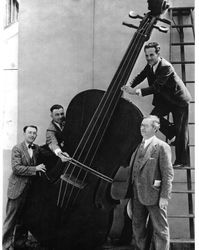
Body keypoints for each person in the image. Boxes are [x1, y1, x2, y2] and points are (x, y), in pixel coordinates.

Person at [121, 42, 192, 166]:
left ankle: (182, 161)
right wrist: (129, 86)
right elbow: (140, 76)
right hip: (166, 100)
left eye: (151, 55)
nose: (148, 58)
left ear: (158, 54)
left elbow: (156, 88)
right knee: (152, 119)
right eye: (146, 55)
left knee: (181, 131)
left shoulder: (166, 67)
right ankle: (172, 133)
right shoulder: (150, 65)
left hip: (179, 100)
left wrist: (135, 92)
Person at [125, 115, 173, 250]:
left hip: (155, 195)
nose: (142, 128)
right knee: (138, 228)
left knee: (160, 230)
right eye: (141, 125)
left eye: (145, 126)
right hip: (137, 196)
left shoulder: (162, 147)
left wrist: (164, 196)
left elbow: (168, 174)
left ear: (155, 128)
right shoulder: (138, 146)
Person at [2, 125, 46, 250]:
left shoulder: (36, 148)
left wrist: (60, 152)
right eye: (30, 133)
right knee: (11, 220)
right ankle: (4, 246)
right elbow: (16, 168)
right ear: (24, 134)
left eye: (34, 133)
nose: (32, 135)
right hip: (17, 188)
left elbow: (47, 153)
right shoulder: (17, 148)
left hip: (30, 190)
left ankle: (19, 244)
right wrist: (35, 169)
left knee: (24, 218)